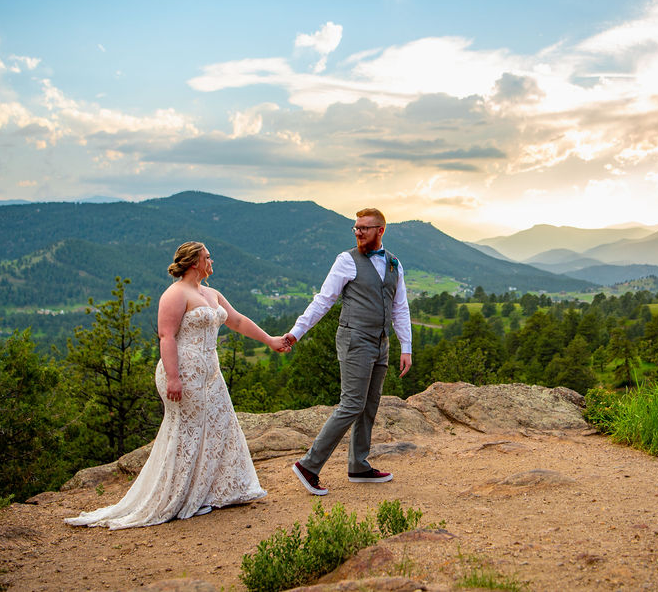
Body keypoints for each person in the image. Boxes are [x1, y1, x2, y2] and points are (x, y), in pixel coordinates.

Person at [65, 242, 290, 529]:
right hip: (183, 372)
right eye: (207, 257)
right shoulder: (175, 293)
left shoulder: (211, 293)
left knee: (221, 426)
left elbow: (237, 321)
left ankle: (215, 490)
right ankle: (179, 495)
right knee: (188, 430)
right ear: (195, 262)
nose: (212, 261)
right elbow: (166, 336)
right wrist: (173, 377)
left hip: (210, 374)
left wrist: (270, 340)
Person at [284, 208, 412, 496]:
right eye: (355, 228)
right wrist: (296, 333)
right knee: (352, 403)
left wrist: (407, 347)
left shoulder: (394, 264)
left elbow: (399, 308)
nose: (358, 232)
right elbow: (323, 301)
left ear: (380, 231)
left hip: (382, 342)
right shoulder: (346, 260)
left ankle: (358, 465)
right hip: (355, 340)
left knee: (370, 403)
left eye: (364, 228)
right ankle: (309, 465)